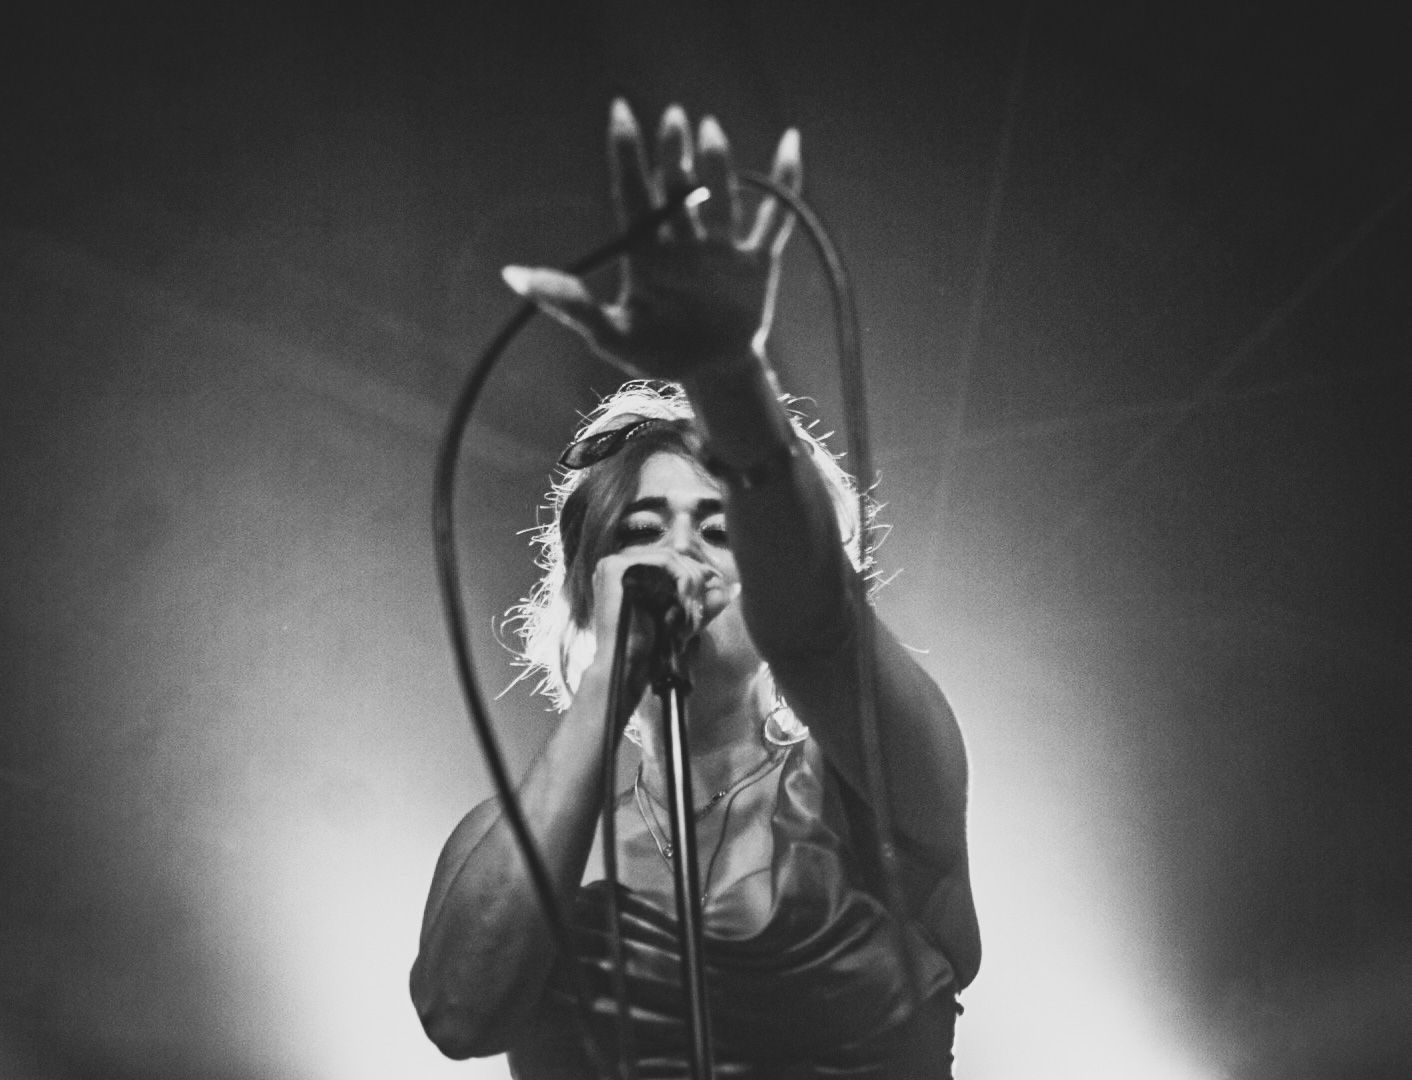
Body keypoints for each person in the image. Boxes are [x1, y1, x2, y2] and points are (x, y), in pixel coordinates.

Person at [410, 100, 980, 1078]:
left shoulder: (874, 785)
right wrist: (606, 688)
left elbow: (814, 629)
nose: (681, 555)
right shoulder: (510, 835)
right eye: (641, 529)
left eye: (721, 529)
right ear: (583, 588)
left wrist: (725, 379)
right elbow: (461, 1013)